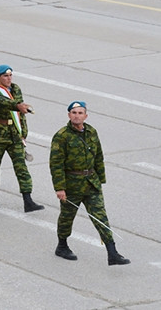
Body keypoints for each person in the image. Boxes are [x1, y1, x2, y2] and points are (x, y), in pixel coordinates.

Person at [50, 101, 129, 265]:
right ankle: (62, 245)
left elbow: (98, 156)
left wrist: (100, 179)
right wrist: (60, 188)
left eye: (80, 113)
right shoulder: (62, 136)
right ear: (69, 115)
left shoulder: (92, 132)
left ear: (85, 116)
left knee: (100, 217)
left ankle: (112, 253)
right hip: (72, 184)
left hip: (91, 183)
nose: (77, 116)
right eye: (74, 113)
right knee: (67, 217)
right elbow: (56, 164)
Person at [0, 65, 44, 212]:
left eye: (10, 75)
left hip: (14, 134)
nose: (9, 78)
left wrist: (24, 132)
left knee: (21, 167)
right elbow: (3, 103)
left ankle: (28, 200)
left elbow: (20, 114)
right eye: (5, 76)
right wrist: (17, 105)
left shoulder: (16, 89)